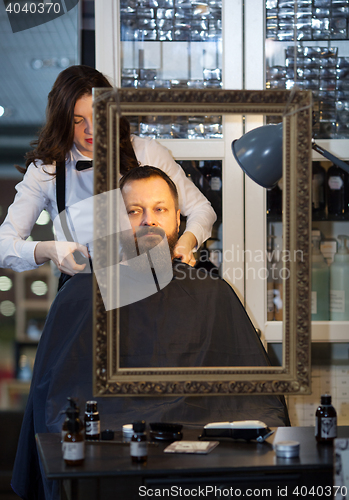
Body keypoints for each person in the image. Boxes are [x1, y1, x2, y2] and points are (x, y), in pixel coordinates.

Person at [12, 166, 289, 500]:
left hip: (205, 469)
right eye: (134, 211)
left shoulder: (213, 294)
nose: (149, 220)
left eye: (160, 209)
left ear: (177, 221)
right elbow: (48, 406)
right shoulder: (78, 296)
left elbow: (259, 402)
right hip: (107, 469)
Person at [0, 65, 216, 281]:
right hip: (82, 292)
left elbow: (202, 209)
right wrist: (49, 249)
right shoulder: (46, 170)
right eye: (78, 120)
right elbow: (3, 246)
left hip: (148, 283)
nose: (91, 129)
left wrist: (187, 241)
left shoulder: (146, 151)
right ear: (62, 121)